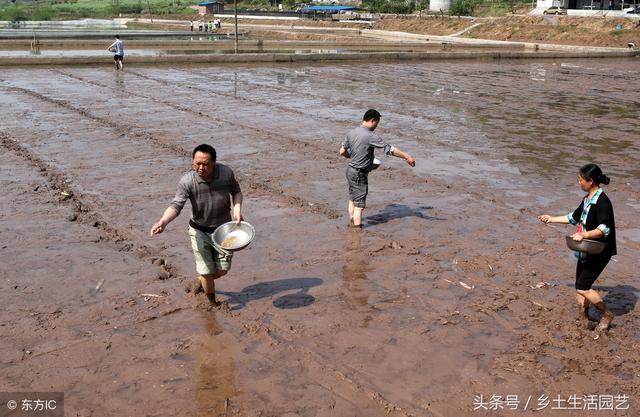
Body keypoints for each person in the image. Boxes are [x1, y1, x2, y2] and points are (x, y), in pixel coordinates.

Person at [150, 144, 243, 305]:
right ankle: (213, 304)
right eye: (197, 163)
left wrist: (237, 209)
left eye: (205, 164)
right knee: (207, 271)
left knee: (221, 271)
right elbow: (176, 205)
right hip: (199, 231)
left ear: (214, 162)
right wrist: (163, 222)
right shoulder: (187, 181)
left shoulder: (226, 173)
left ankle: (201, 280)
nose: (201, 168)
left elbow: (236, 192)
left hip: (224, 231)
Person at [538, 163, 616, 331]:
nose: (579, 183)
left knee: (583, 286)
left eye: (581, 180)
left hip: (601, 250)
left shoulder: (603, 201)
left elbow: (604, 229)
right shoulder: (587, 199)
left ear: (591, 181)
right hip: (587, 249)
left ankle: (607, 314)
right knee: (580, 285)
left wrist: (583, 234)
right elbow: (573, 218)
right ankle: (584, 319)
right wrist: (551, 218)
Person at [339, 109, 416, 228]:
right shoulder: (370, 136)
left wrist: (353, 157)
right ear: (372, 121)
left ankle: (352, 221)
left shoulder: (351, 132)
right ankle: (357, 231)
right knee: (359, 206)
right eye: (377, 123)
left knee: (352, 198)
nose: (376, 126)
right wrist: (407, 156)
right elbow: (389, 149)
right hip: (360, 173)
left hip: (350, 170)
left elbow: (342, 151)